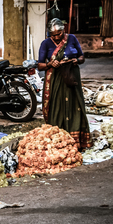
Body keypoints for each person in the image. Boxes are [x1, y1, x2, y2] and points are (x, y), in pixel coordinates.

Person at [37, 18, 92, 150]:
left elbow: (82, 57)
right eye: (53, 35)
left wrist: (75, 61)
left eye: (59, 34)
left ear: (64, 31)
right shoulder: (45, 44)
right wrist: (50, 64)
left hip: (71, 78)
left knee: (75, 106)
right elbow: (40, 65)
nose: (56, 37)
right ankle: (58, 140)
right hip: (55, 80)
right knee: (57, 107)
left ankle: (76, 141)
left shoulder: (71, 39)